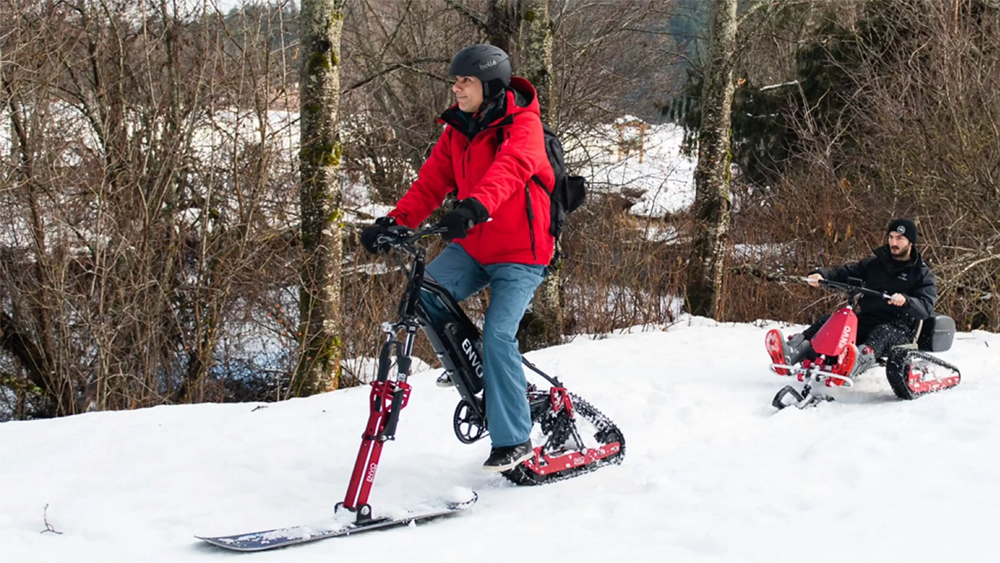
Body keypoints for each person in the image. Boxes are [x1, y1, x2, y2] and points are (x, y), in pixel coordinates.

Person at [359, 44, 555, 472]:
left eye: (464, 81)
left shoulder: (524, 126)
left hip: (522, 253)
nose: (456, 88)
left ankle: (514, 439)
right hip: (475, 246)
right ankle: (470, 364)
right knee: (423, 292)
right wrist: (394, 222)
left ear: (490, 85)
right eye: (455, 81)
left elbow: (511, 170)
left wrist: (472, 209)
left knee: (498, 337)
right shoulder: (458, 131)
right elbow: (430, 184)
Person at [769, 219, 938, 379]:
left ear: (911, 242)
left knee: (883, 333)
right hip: (866, 320)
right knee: (831, 321)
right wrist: (822, 275)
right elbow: (845, 273)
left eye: (900, 239)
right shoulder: (875, 264)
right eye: (891, 237)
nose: (894, 243)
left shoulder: (922, 274)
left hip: (899, 328)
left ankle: (854, 363)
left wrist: (906, 301)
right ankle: (793, 351)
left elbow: (924, 307)